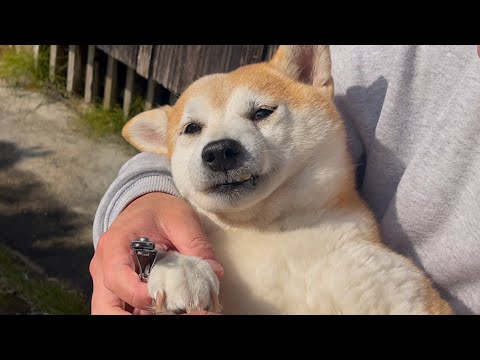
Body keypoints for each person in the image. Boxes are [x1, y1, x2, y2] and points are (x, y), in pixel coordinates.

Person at [90, 45, 480, 315]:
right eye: (193, 129)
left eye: (261, 112)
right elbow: (152, 184)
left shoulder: (370, 277)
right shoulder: (385, 58)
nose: (218, 147)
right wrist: (142, 217)